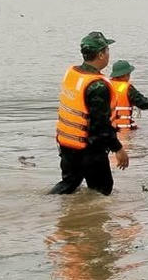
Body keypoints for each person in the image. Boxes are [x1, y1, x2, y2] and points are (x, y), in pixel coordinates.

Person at [50, 31, 129, 196]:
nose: (109, 54)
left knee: (69, 185)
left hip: (66, 143)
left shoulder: (72, 74)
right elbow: (101, 124)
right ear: (101, 54)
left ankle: (50, 208)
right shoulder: (98, 86)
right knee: (103, 190)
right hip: (90, 148)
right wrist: (118, 149)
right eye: (107, 50)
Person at [108, 60, 148, 131]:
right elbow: (145, 103)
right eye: (129, 74)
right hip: (123, 132)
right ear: (126, 74)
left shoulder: (105, 85)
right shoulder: (127, 88)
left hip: (106, 131)